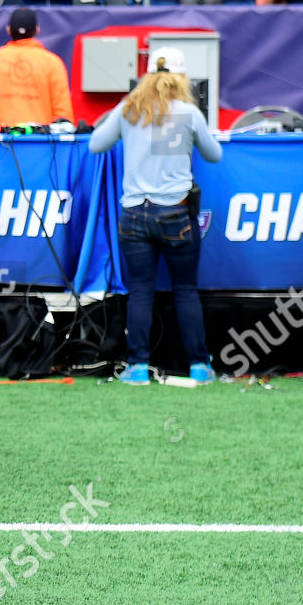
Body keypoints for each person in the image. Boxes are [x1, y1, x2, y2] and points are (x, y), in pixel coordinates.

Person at [89, 46, 221, 387]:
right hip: (175, 213)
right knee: (185, 290)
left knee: (141, 291)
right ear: (181, 78)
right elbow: (214, 155)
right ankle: (198, 366)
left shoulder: (129, 109)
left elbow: (95, 145)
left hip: (134, 214)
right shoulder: (188, 113)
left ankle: (137, 367)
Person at [0, 8, 72, 130]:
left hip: (0, 140)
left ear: (9, 30)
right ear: (37, 30)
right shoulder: (52, 62)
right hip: (41, 141)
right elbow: (62, 112)